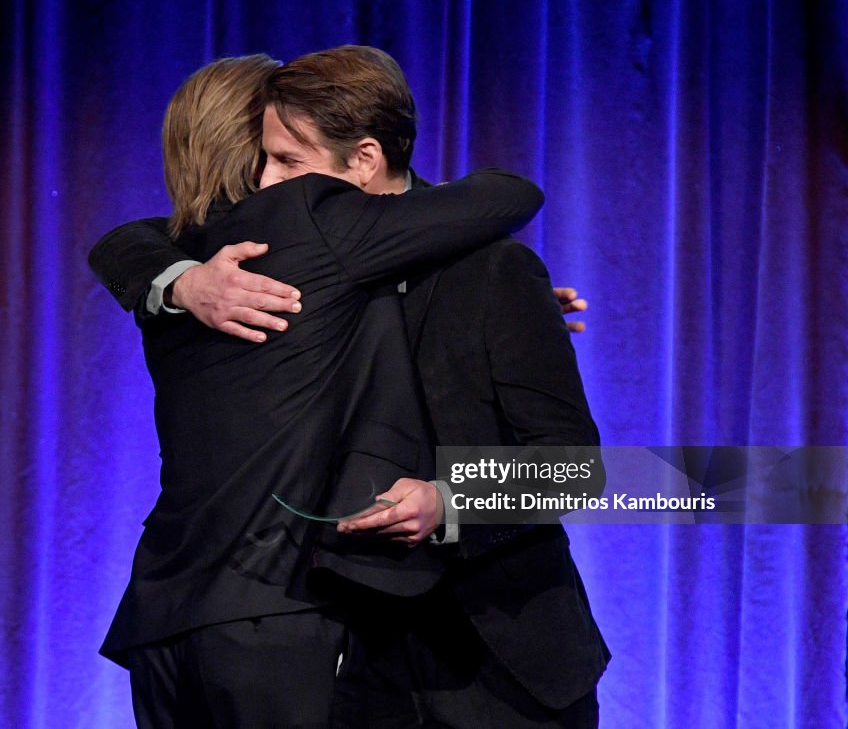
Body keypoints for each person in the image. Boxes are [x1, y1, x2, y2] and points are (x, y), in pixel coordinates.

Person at [92, 45, 609, 728]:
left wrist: (448, 499)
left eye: (286, 162)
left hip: (495, 663)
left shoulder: (491, 270)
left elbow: (573, 469)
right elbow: (140, 240)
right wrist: (181, 282)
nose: (263, 183)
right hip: (355, 667)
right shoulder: (252, 268)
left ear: (362, 160)